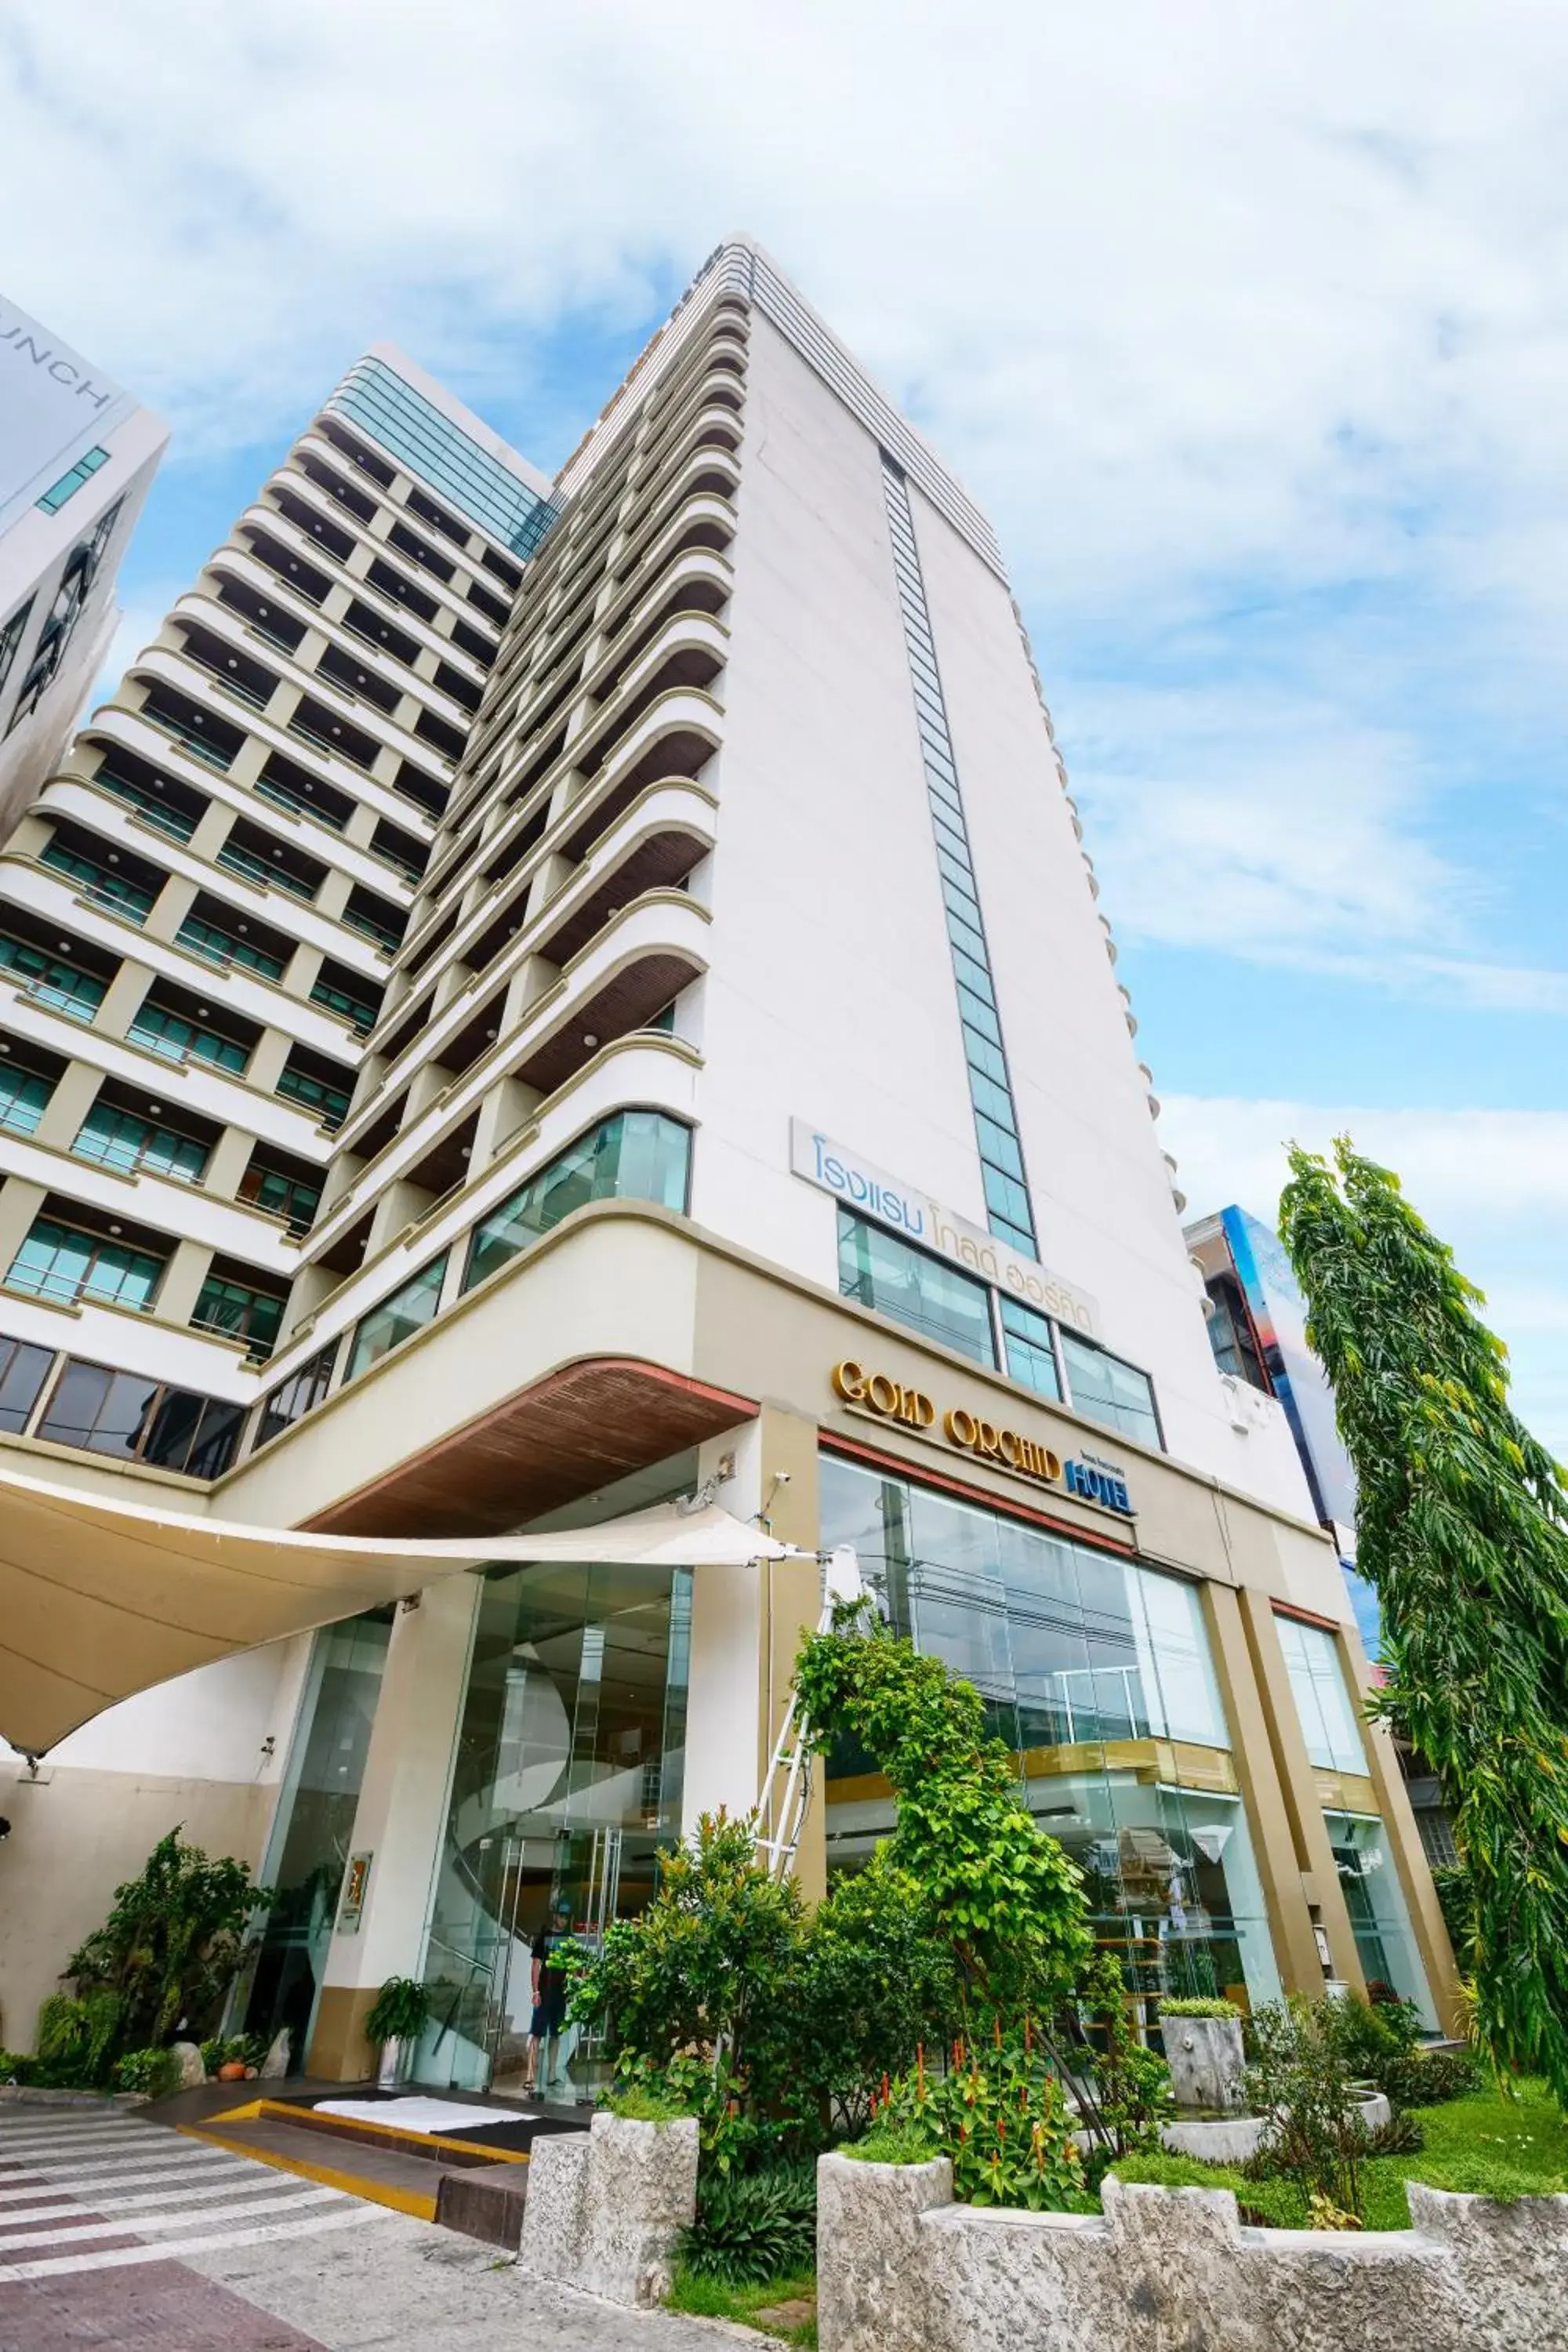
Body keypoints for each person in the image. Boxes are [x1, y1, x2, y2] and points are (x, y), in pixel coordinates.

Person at [524, 1903, 572, 2094]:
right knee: (536, 2033)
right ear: (555, 1916)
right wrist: (535, 1991)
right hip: (545, 1991)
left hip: (560, 1994)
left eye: (566, 1916)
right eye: (561, 1915)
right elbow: (536, 1965)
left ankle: (551, 2074)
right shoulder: (545, 1937)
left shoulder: (569, 1939)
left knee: (556, 2034)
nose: (563, 1919)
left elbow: (573, 1966)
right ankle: (530, 2076)